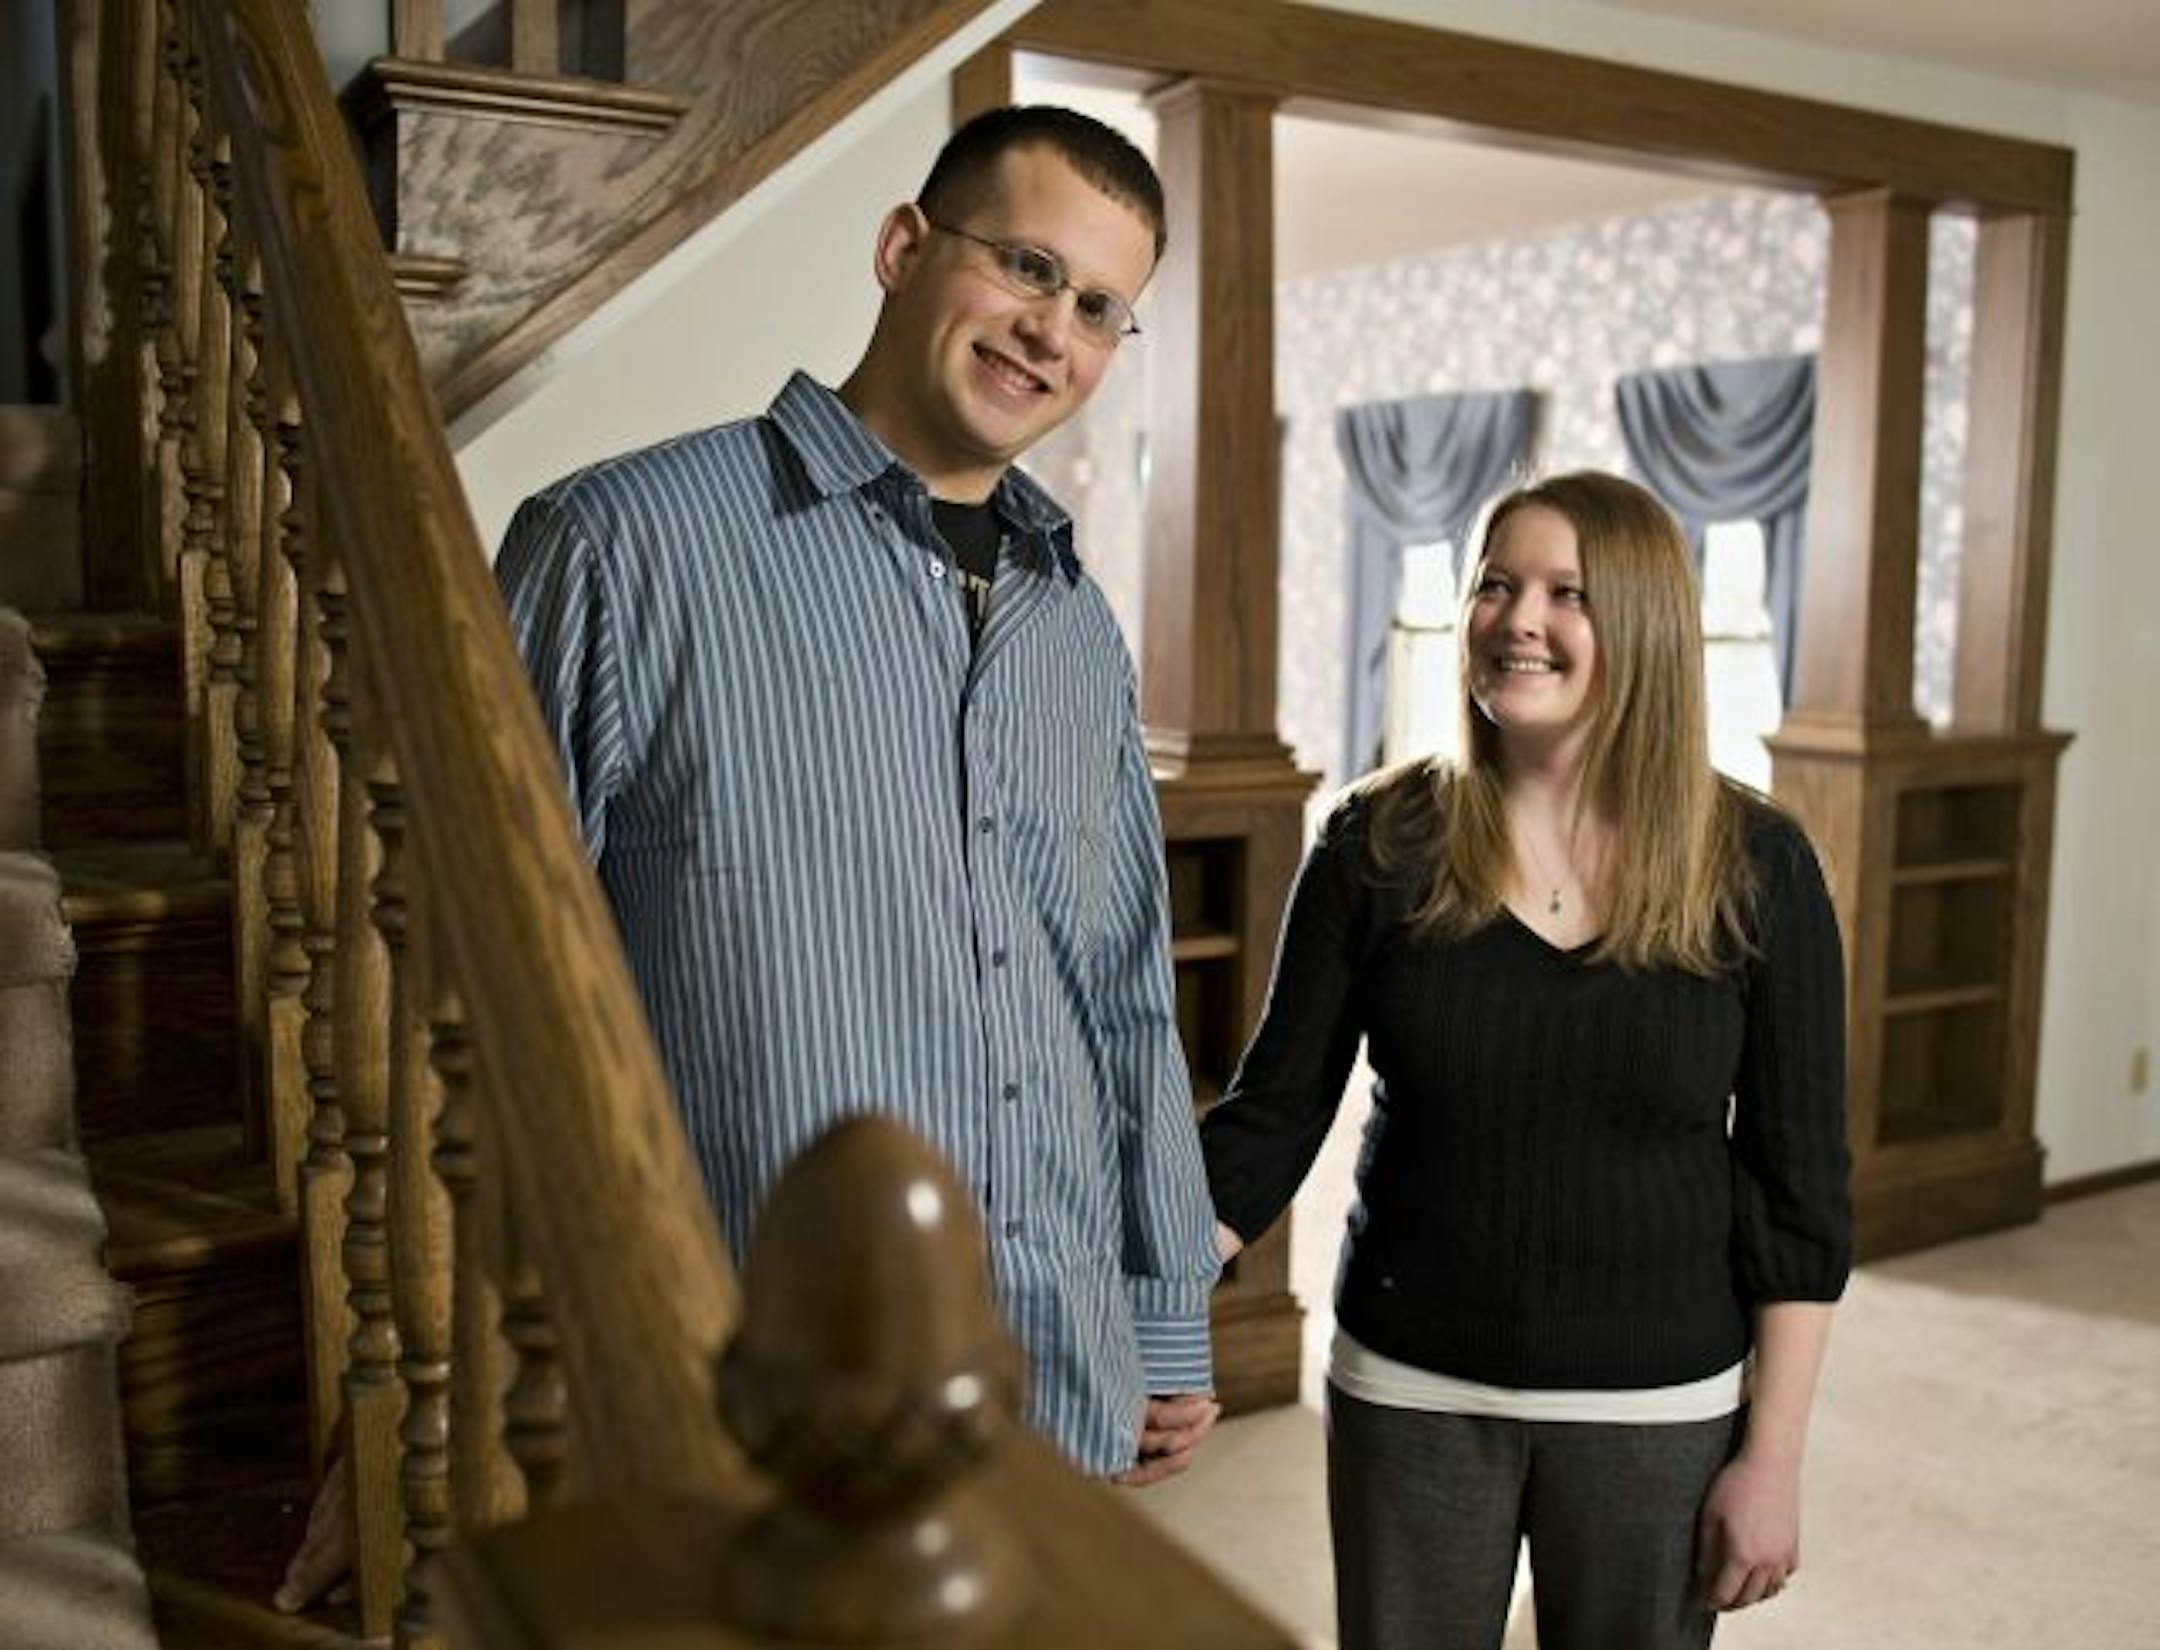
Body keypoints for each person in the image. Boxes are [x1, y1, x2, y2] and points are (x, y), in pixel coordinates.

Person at [275, 103, 1218, 1613]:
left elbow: (1117, 994)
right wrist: (419, 1390)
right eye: (1026, 266)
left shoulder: (1079, 634)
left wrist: (1164, 1305)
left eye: (1099, 307)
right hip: (730, 1396)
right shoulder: (619, 544)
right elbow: (463, 998)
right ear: (906, 249)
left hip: (1045, 1373)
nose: (1053, 330)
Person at [1202, 472, 1850, 1650]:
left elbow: (1799, 1195)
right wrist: (1135, 1308)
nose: (1518, 620)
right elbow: (1272, 1118)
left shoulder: (1760, 863)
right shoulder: (1376, 841)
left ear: (1644, 625)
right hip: (1413, 1390)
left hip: (1660, 1404)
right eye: (1495, 585)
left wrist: (1774, 1458)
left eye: (1566, 593)